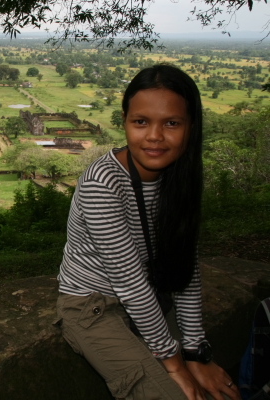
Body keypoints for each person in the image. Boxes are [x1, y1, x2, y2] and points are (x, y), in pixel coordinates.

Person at [56, 64, 241, 400]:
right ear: (125, 121)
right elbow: (129, 281)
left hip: (151, 297)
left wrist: (196, 352)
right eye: (141, 122)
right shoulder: (104, 183)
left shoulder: (178, 177)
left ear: (190, 127)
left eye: (171, 123)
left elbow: (184, 266)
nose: (155, 136)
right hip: (93, 305)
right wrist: (174, 363)